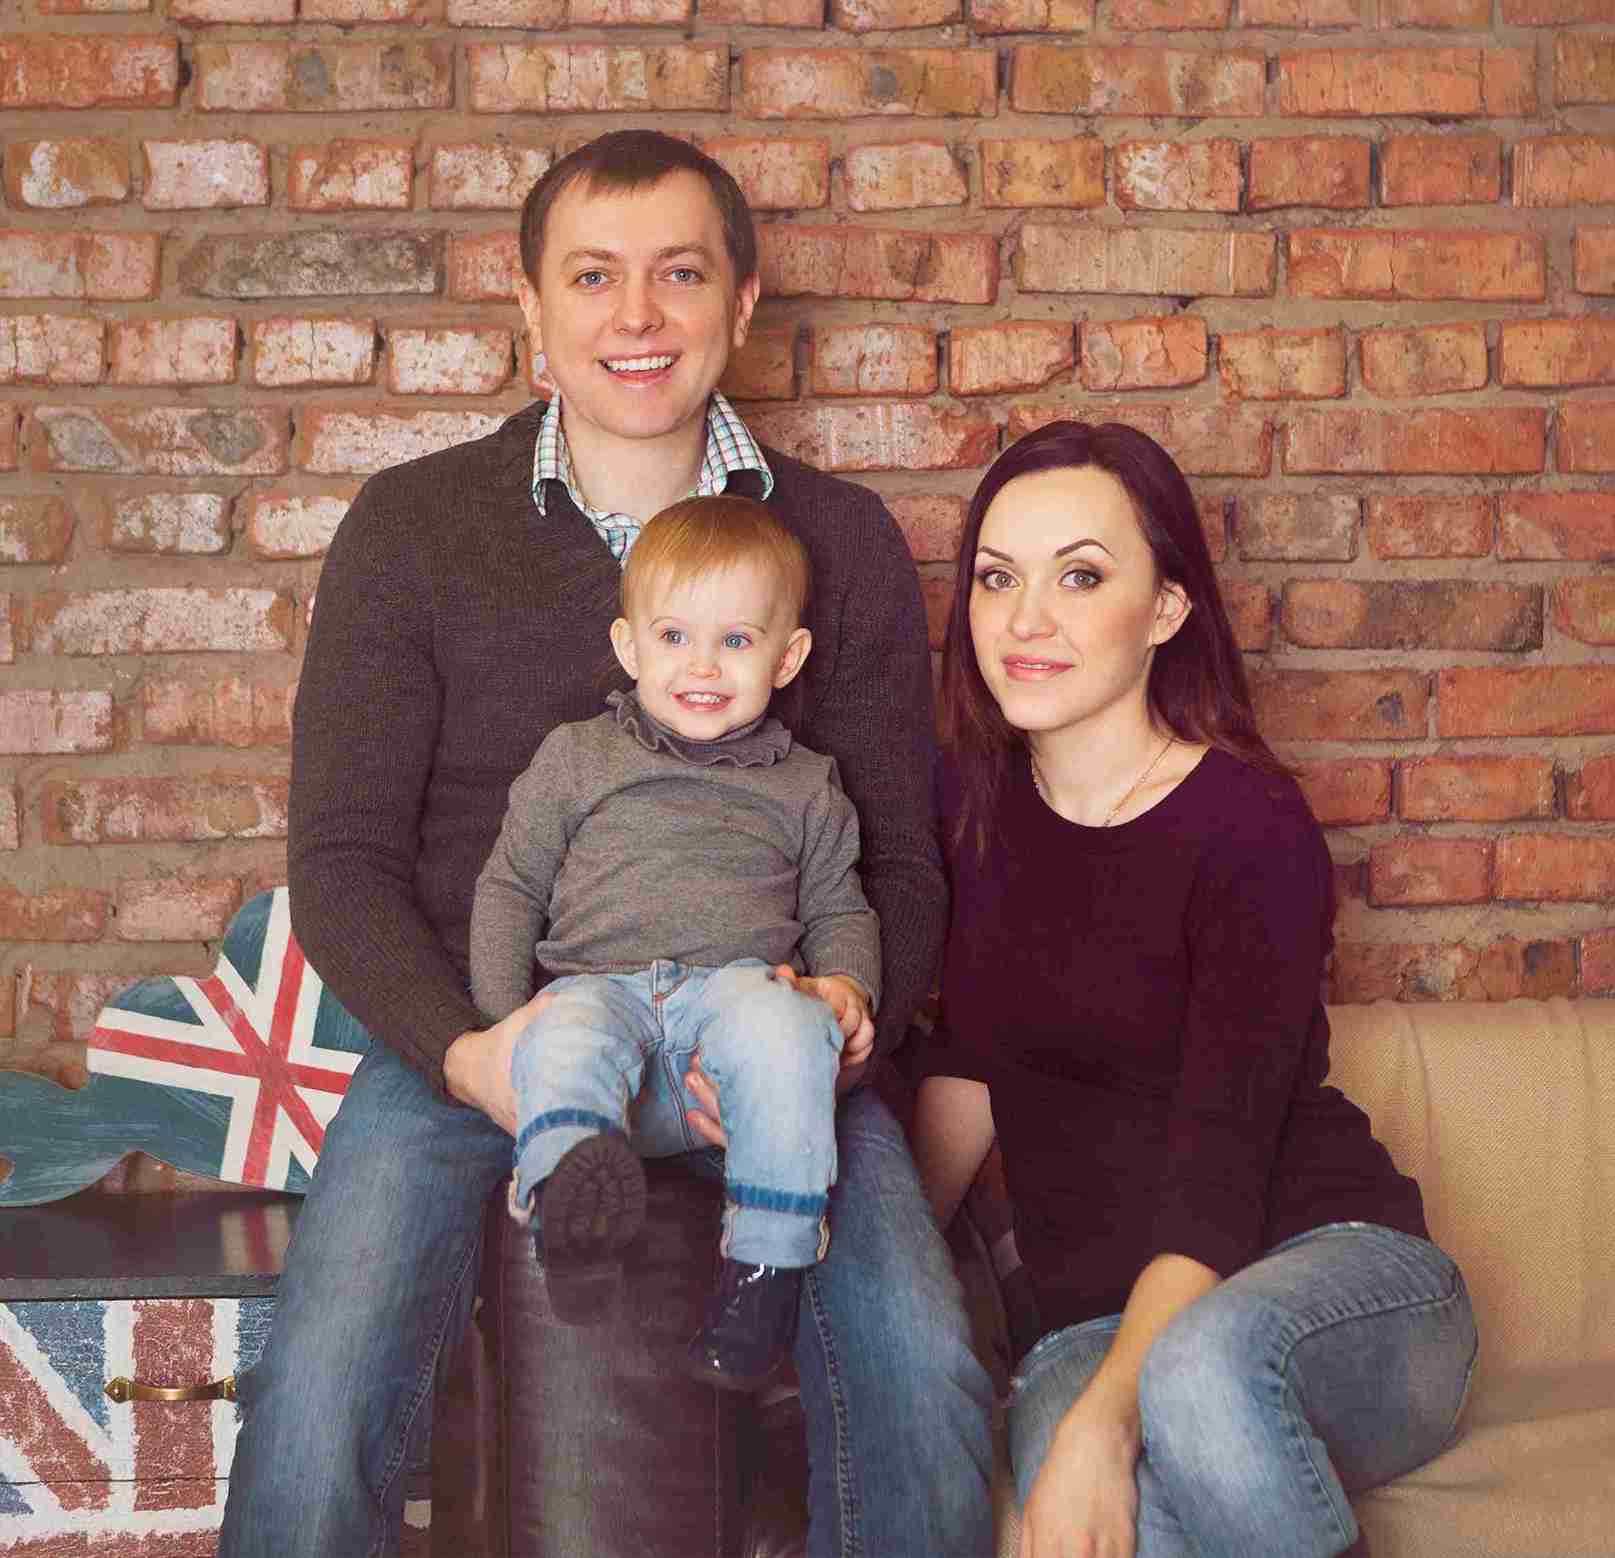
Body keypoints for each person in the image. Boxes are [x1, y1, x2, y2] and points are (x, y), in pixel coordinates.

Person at [221, 129, 994, 1558]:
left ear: (742, 304)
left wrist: (842, 1017)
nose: (634, 317)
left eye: (677, 275)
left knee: (925, 1374)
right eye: (592, 277)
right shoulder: (411, 526)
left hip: (760, 1036)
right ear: (529, 308)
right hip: (481, 1041)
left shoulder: (841, 539)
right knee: (317, 1399)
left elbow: (896, 861)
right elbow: (339, 857)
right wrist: (466, 1051)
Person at [909, 420, 1478, 1558]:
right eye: (996, 578)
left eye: (1079, 576)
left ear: (1165, 609)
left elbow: (1217, 1168)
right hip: (1091, 1323)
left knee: (1197, 1370)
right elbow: (965, 1073)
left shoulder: (1248, 825)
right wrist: (868, 1291)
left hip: (1336, 1283)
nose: (1025, 620)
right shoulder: (969, 816)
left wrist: (1102, 1424)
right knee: (1135, 1528)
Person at [468, 494, 876, 1386]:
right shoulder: (576, 757)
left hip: (728, 1008)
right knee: (563, 1036)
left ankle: (765, 1269)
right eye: (674, 638)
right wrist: (504, 1024)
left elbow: (839, 906)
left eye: (736, 641)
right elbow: (510, 887)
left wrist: (844, 988)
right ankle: (571, 1218)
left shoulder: (808, 787)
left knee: (787, 1026)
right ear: (628, 648)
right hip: (597, 992)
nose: (703, 666)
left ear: (787, 656)